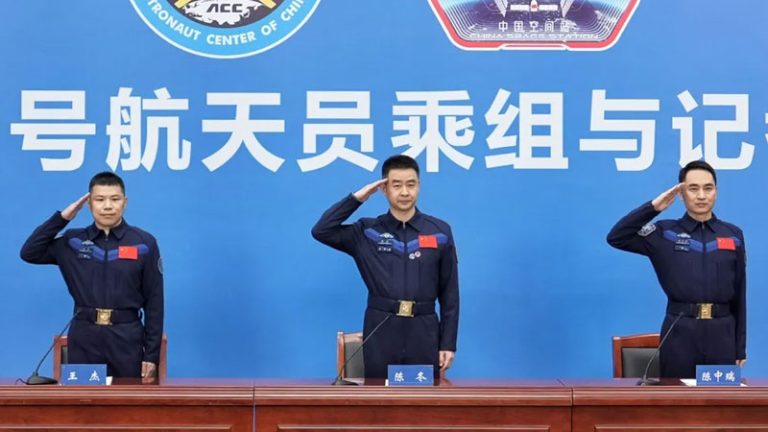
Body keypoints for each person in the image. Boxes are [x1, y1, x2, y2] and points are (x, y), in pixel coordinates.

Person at [312, 155, 459, 379]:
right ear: (383, 188)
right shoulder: (367, 232)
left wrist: (448, 343)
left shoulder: (439, 231)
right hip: (381, 330)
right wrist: (358, 198)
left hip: (424, 331)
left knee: (422, 398)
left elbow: (450, 293)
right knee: (380, 398)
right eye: (396, 185)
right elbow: (322, 230)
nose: (405, 192)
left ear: (419, 186)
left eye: (411, 184)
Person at [607, 160, 746, 378]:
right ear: (681, 194)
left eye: (708, 188)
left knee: (719, 399)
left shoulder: (733, 234)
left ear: (716, 192)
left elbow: (740, 293)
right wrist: (654, 207)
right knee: (678, 398)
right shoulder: (664, 233)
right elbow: (617, 237)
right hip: (680, 333)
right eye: (693, 188)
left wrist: (739, 347)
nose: (701, 195)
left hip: (722, 336)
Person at [20, 172, 164, 381]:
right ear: (89, 204)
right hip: (84, 339)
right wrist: (63, 218)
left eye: (115, 199)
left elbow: (155, 303)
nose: (108, 206)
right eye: (100, 199)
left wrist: (151, 355)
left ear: (125, 202)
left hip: (127, 339)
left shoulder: (144, 243)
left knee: (127, 401)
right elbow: (29, 252)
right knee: (83, 400)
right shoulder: (73, 242)